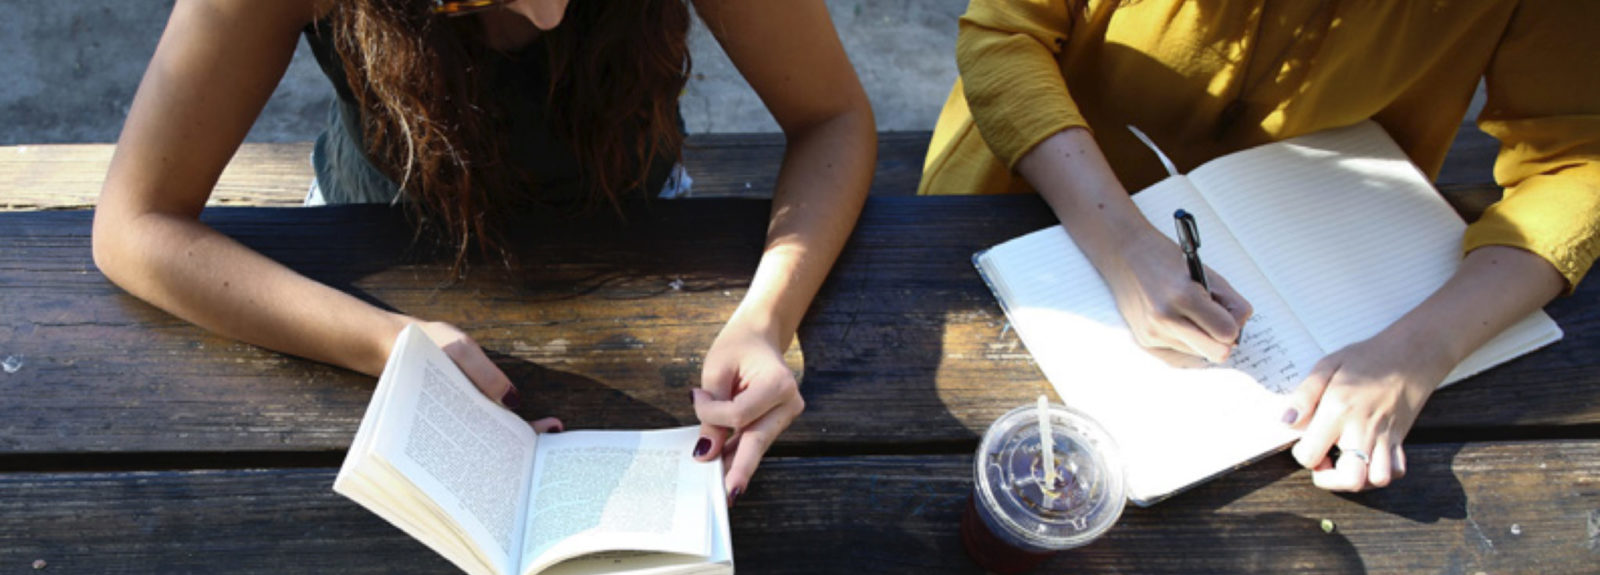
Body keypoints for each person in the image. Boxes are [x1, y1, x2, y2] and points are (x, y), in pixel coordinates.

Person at [92, 0, 876, 504]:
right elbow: (134, 223)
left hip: (638, 229)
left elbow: (833, 116)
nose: (546, 11)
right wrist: (389, 342)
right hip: (362, 258)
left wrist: (767, 318)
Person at [921, 0, 1598, 492]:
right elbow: (1006, 32)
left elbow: (1578, 161)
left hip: (1336, 268)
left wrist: (1419, 350)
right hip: (1025, 192)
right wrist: (1122, 241)